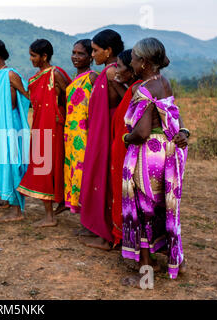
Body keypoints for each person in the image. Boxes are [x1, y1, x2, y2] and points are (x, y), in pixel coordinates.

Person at [121, 38, 188, 283]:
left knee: (143, 211)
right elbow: (175, 119)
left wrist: (125, 137)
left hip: (147, 155)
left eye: (135, 58)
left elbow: (141, 132)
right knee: (164, 208)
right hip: (166, 153)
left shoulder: (145, 90)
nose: (131, 62)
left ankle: (145, 274)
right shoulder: (164, 83)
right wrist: (184, 133)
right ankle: (175, 261)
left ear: (144, 63)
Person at [78, 29, 127, 249]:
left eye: (96, 50)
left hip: (109, 132)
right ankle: (100, 228)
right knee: (99, 177)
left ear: (108, 51)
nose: (93, 54)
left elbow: (130, 97)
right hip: (101, 130)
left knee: (106, 179)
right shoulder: (109, 70)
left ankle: (108, 235)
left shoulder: (111, 72)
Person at [17, 39, 71, 227]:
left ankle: (50, 216)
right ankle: (51, 212)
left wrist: (60, 114)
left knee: (51, 167)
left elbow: (71, 96)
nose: (31, 59)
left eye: (34, 55)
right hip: (39, 127)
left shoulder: (55, 74)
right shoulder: (34, 79)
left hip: (55, 128)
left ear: (44, 56)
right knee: (42, 167)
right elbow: (34, 103)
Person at [0, 38, 31, 222]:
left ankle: (17, 210)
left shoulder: (10, 75)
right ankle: (9, 201)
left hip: (10, 127)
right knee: (0, 164)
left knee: (12, 164)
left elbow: (27, 97)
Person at [61, 39, 98, 216]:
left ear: (91, 56)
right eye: (74, 53)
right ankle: (81, 214)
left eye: (81, 53)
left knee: (84, 176)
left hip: (85, 134)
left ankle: (89, 217)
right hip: (71, 134)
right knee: (73, 173)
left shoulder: (92, 77)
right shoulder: (75, 78)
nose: (75, 57)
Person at [110, 49, 143, 245]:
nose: (116, 71)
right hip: (123, 150)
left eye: (120, 66)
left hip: (129, 152)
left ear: (132, 70)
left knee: (130, 198)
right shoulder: (131, 89)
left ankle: (132, 244)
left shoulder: (138, 90)